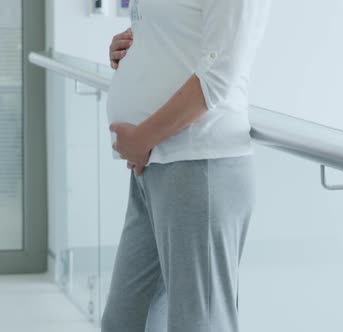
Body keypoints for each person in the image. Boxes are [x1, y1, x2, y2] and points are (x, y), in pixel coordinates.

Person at [100, 0, 271, 331]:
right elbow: (178, 35)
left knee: (198, 323)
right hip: (153, 169)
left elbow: (220, 74)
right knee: (124, 321)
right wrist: (132, 44)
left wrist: (142, 138)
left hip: (200, 168)